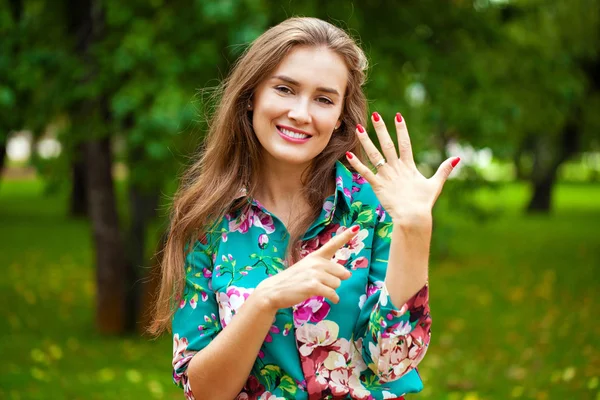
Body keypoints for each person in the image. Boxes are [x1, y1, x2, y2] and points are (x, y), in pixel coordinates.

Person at [150, 17, 460, 400]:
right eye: (284, 89)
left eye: (324, 99)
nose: (301, 113)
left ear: (340, 116)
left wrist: (414, 228)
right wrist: (265, 300)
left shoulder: (374, 209)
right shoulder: (206, 220)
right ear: (251, 96)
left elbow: (391, 363)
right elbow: (205, 392)